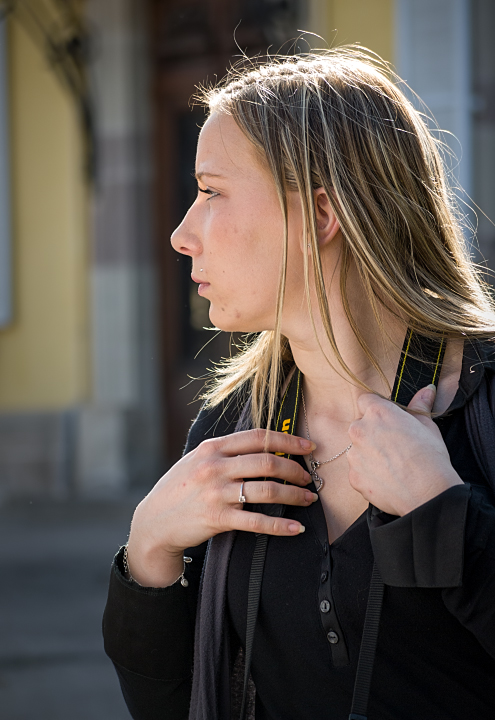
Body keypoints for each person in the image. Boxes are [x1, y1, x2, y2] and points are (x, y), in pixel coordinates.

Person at [103, 48, 495, 720]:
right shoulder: (227, 430)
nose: (179, 234)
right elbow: (172, 705)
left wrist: (443, 515)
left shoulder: (484, 409)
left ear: (320, 214)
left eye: (211, 190)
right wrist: (149, 552)